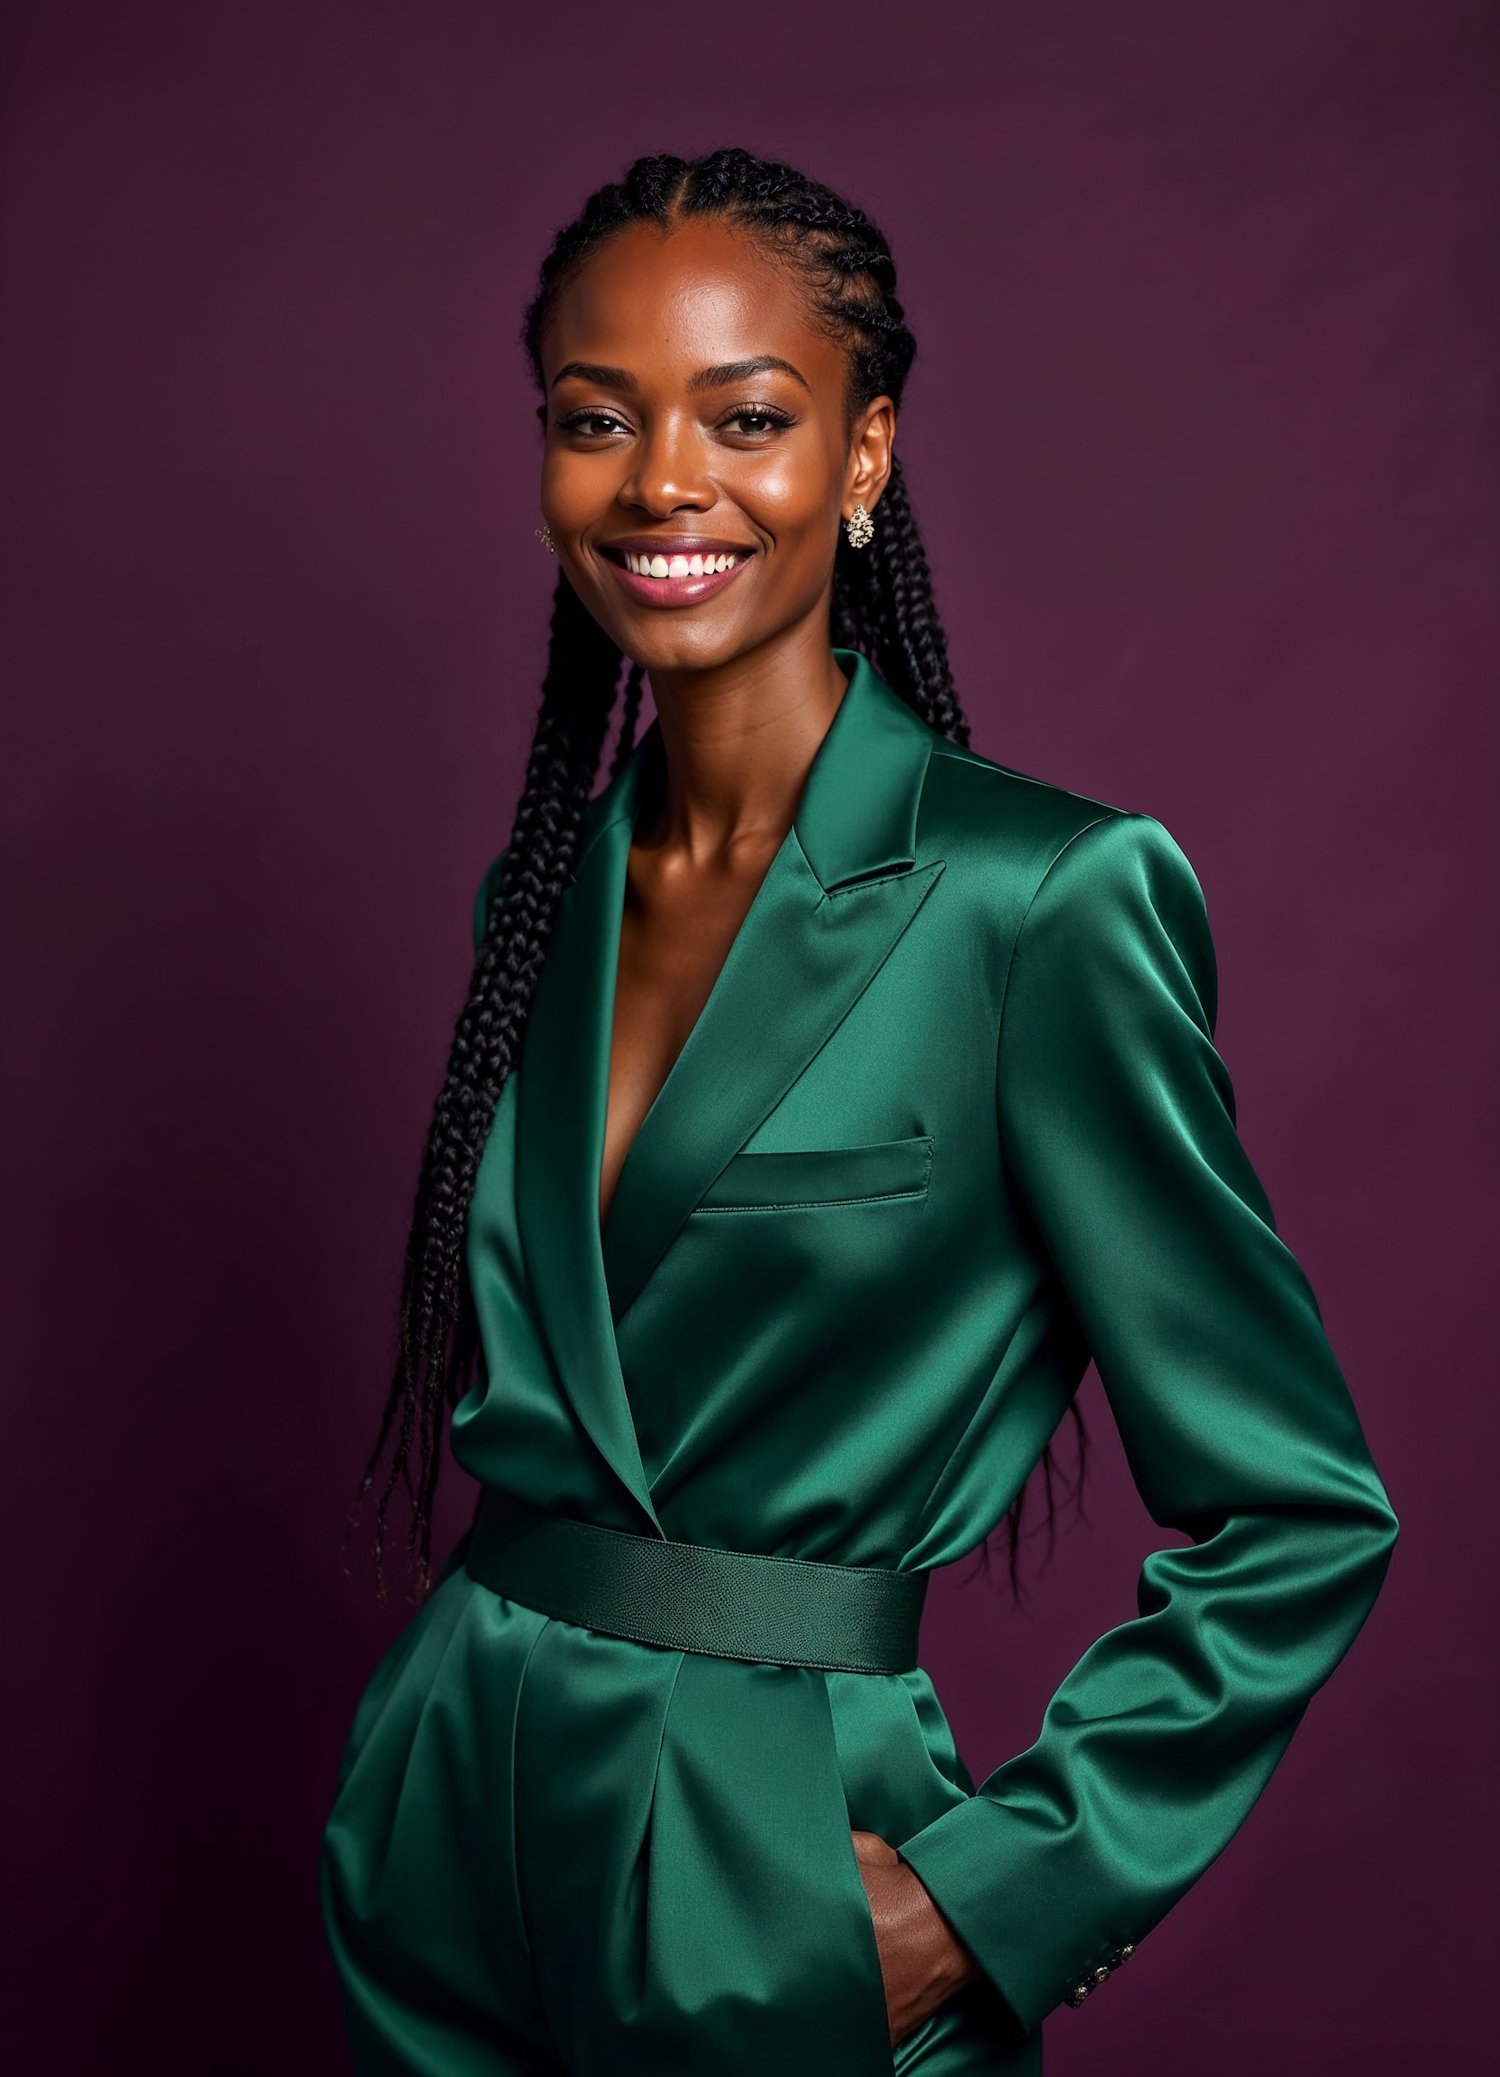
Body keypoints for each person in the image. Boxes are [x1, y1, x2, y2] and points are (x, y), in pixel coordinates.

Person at [321, 149, 1396, 2077]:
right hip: (443, 1822)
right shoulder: (535, 908)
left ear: (867, 452)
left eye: (747, 416)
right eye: (596, 419)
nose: (662, 480)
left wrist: (988, 1906)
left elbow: (1299, 1509)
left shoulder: (1039, 905)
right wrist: (417, 1775)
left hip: (776, 1863)